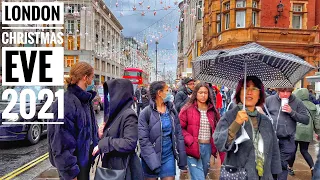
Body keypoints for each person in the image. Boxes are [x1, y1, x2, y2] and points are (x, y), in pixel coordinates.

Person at [214, 76, 282, 180]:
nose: (249, 92)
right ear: (239, 93)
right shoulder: (229, 116)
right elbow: (219, 143)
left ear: (259, 95)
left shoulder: (265, 121)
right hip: (239, 176)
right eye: (245, 88)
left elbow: (274, 151)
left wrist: (275, 174)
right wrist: (236, 123)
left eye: (254, 88)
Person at [48, 62, 99, 180]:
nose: (93, 81)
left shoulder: (84, 100)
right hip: (73, 170)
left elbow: (86, 130)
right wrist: (70, 173)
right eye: (92, 77)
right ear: (85, 78)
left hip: (83, 164)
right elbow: (61, 142)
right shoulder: (66, 102)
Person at [92, 79, 143, 180]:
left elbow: (130, 143)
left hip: (123, 167)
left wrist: (105, 143)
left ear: (119, 94)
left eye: (111, 93)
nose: (108, 97)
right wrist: (102, 134)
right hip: (112, 166)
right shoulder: (115, 113)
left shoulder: (129, 115)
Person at [138, 81, 187, 180]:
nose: (169, 93)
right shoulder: (145, 113)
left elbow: (178, 135)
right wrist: (153, 162)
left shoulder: (172, 111)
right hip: (150, 157)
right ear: (159, 93)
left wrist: (182, 161)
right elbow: (143, 140)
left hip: (168, 155)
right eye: (167, 90)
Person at [179, 82, 224, 180]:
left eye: (205, 93)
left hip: (207, 148)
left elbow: (218, 129)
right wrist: (190, 140)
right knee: (199, 177)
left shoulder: (212, 110)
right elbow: (180, 128)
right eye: (200, 93)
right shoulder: (187, 109)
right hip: (192, 147)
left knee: (202, 175)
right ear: (196, 93)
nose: (203, 95)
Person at [265, 87, 309, 180]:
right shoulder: (269, 100)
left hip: (287, 140)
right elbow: (261, 116)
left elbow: (306, 119)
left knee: (282, 165)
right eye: (282, 91)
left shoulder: (297, 102)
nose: (285, 94)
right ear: (277, 90)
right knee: (271, 165)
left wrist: (291, 112)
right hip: (271, 139)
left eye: (288, 91)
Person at [287, 88, 320, 176]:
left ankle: (290, 168)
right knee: (304, 150)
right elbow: (317, 121)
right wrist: (318, 132)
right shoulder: (313, 106)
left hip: (295, 130)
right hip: (307, 132)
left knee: (293, 151)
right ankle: (312, 167)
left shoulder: (296, 104)